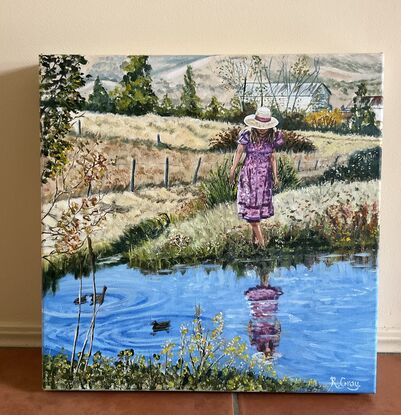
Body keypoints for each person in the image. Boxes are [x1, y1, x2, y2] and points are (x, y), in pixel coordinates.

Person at [229, 106, 284, 247]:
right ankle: (263, 246)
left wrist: (276, 176)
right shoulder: (247, 134)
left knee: (256, 212)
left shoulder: (273, 136)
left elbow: (272, 158)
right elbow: (239, 152)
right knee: (252, 211)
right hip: (249, 175)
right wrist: (233, 169)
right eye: (259, 125)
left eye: (265, 126)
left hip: (264, 177)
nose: (262, 129)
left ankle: (255, 244)